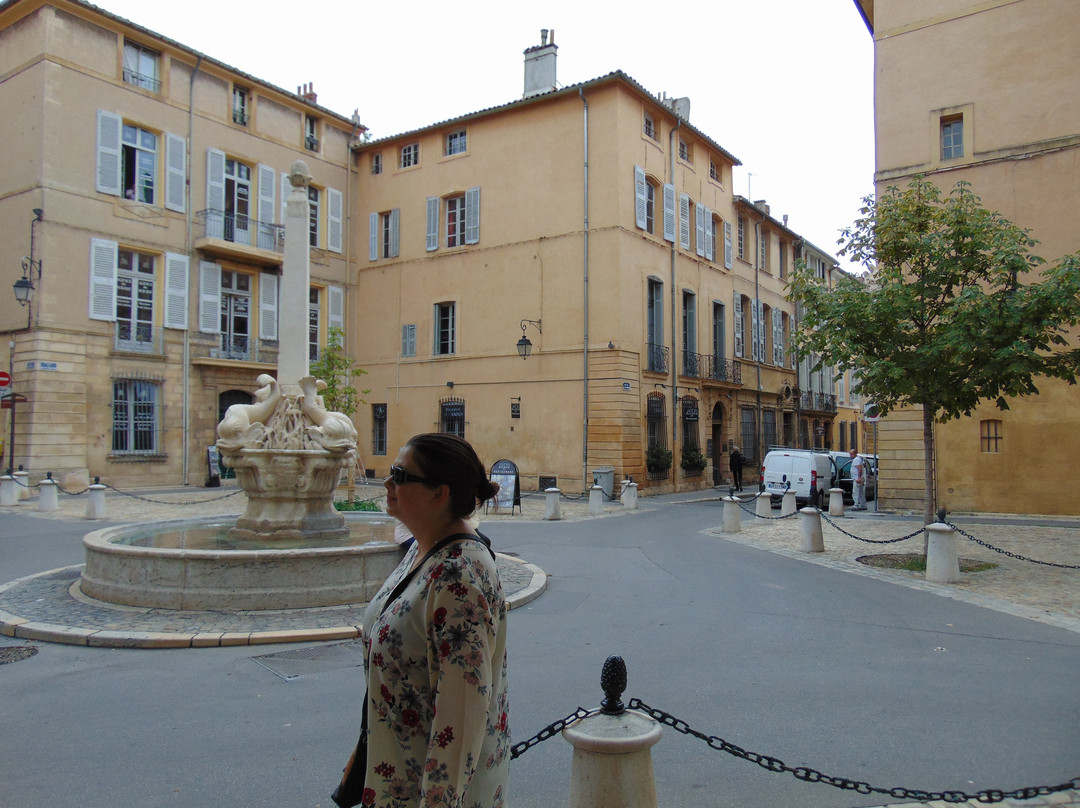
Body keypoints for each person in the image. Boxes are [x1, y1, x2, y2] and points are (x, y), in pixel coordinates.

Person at [358, 433, 509, 808]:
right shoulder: (424, 549)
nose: (387, 483)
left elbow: (462, 716)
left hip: (430, 792)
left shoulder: (460, 576)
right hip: (398, 772)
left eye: (400, 475)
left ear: (439, 493)